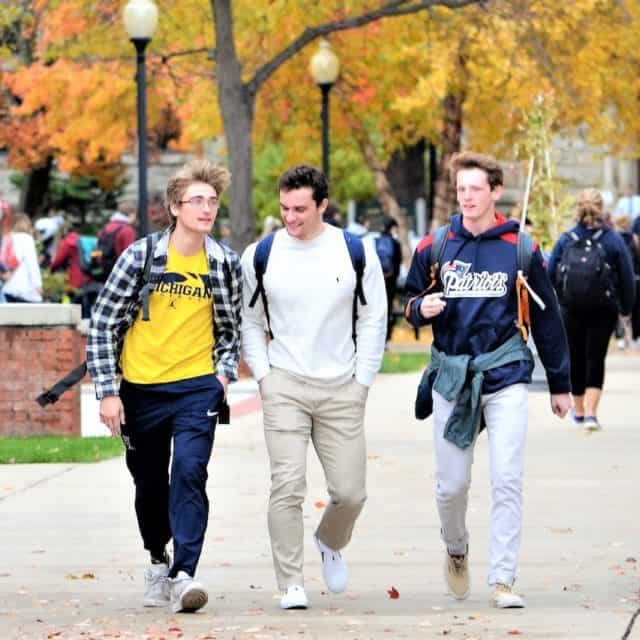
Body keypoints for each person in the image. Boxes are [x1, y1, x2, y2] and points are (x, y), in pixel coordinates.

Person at [404, 151, 571, 609]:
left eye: (476, 189)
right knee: (451, 485)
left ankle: (503, 579)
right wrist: (421, 308)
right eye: (461, 189)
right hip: (452, 375)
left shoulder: (521, 247)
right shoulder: (435, 245)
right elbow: (409, 297)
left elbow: (547, 318)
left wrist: (560, 383)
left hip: (506, 372)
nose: (467, 197)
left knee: (507, 478)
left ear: (495, 191)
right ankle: (456, 549)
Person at [86, 158, 242, 614]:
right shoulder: (141, 255)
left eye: (212, 201)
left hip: (197, 388)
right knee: (149, 484)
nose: (206, 208)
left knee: (190, 473)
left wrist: (223, 374)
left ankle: (184, 574)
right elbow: (103, 323)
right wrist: (108, 392)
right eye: (197, 200)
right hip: (141, 388)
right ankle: (158, 558)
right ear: (175, 206)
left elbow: (230, 330)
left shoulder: (224, 263)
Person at [241, 164, 387, 610]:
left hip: (342, 385)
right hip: (284, 382)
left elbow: (374, 317)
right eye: (285, 208)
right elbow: (249, 320)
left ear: (322, 204)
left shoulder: (354, 251)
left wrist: (362, 381)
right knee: (287, 485)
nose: (291, 217)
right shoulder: (261, 254)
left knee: (350, 492)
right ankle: (290, 582)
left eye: (301, 209)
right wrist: (264, 377)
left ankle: (330, 539)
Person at [548, 189, 635, 430]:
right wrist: (625, 308)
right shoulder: (612, 239)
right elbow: (627, 277)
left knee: (575, 357)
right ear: (601, 208)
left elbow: (550, 273)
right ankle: (592, 415)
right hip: (603, 308)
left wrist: (561, 299)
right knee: (596, 358)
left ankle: (578, 411)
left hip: (570, 308)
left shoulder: (566, 239)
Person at [1, 213, 43, 303]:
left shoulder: (7, 238)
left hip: (7, 286)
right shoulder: (27, 239)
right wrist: (38, 285)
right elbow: (32, 264)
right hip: (24, 289)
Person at [376, 216, 403, 343]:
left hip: (379, 280)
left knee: (379, 308)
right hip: (391, 281)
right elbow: (399, 261)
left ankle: (379, 336)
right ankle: (387, 337)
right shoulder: (395, 243)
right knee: (389, 307)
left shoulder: (377, 241)